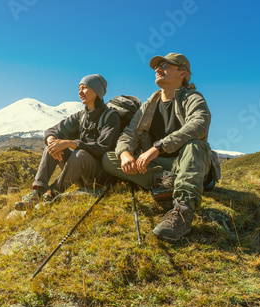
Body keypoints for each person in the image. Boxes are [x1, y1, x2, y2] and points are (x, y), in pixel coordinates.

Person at [102, 53, 220, 241]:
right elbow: (130, 132)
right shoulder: (151, 102)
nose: (158, 69)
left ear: (182, 73)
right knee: (109, 158)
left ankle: (183, 213)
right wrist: (124, 153)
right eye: (157, 66)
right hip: (161, 166)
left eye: (165, 65)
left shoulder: (193, 98)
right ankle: (164, 181)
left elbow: (200, 124)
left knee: (195, 145)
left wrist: (158, 147)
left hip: (189, 163)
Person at [15, 74, 121, 210]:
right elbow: (52, 130)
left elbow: (102, 148)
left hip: (98, 177)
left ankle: (54, 193)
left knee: (81, 154)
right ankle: (38, 192)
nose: (80, 92)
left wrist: (72, 143)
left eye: (85, 88)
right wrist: (52, 140)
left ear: (97, 90)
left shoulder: (111, 117)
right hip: (78, 173)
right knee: (52, 146)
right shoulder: (81, 116)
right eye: (79, 88)